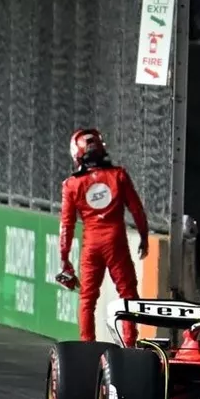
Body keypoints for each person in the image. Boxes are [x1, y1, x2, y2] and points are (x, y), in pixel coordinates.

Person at [56, 128, 149, 347]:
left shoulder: (72, 184)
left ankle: (87, 345)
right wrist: (144, 235)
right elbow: (137, 209)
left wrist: (64, 257)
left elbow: (66, 225)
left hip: (92, 244)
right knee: (127, 293)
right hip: (116, 240)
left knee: (87, 298)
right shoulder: (119, 175)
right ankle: (129, 343)